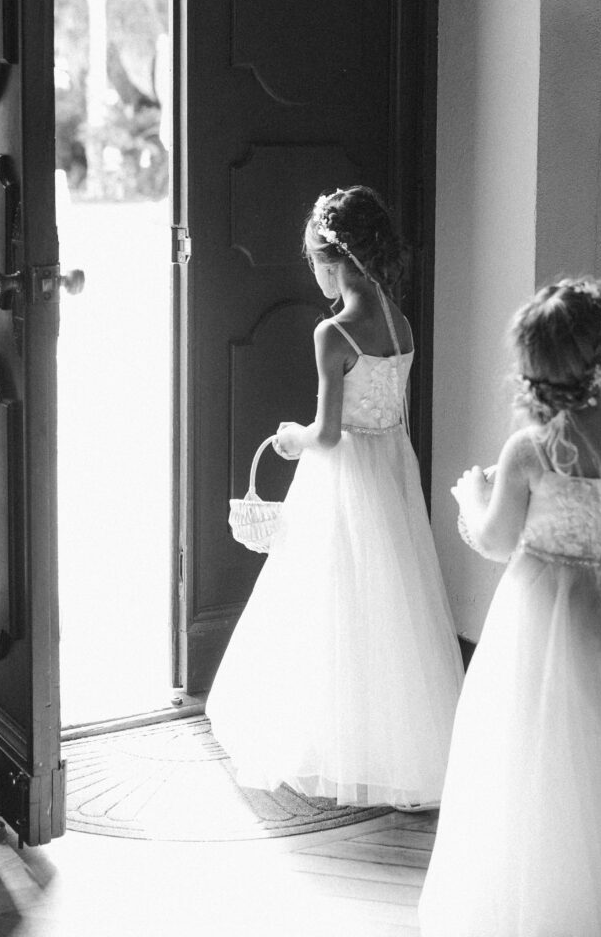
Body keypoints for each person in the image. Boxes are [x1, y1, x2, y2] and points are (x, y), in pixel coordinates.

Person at [206, 186, 464, 809]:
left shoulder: (333, 333)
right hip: (392, 469)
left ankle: (327, 735)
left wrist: (290, 437)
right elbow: (388, 407)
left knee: (326, 598)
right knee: (388, 600)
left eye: (313, 262)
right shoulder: (399, 321)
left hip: (344, 473)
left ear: (333, 259)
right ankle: (392, 738)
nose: (313, 274)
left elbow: (325, 431)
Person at [419, 278, 601, 936]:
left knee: (538, 762)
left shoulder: (534, 449)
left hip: (544, 624)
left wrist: (472, 496)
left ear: (533, 368)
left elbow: (496, 540)